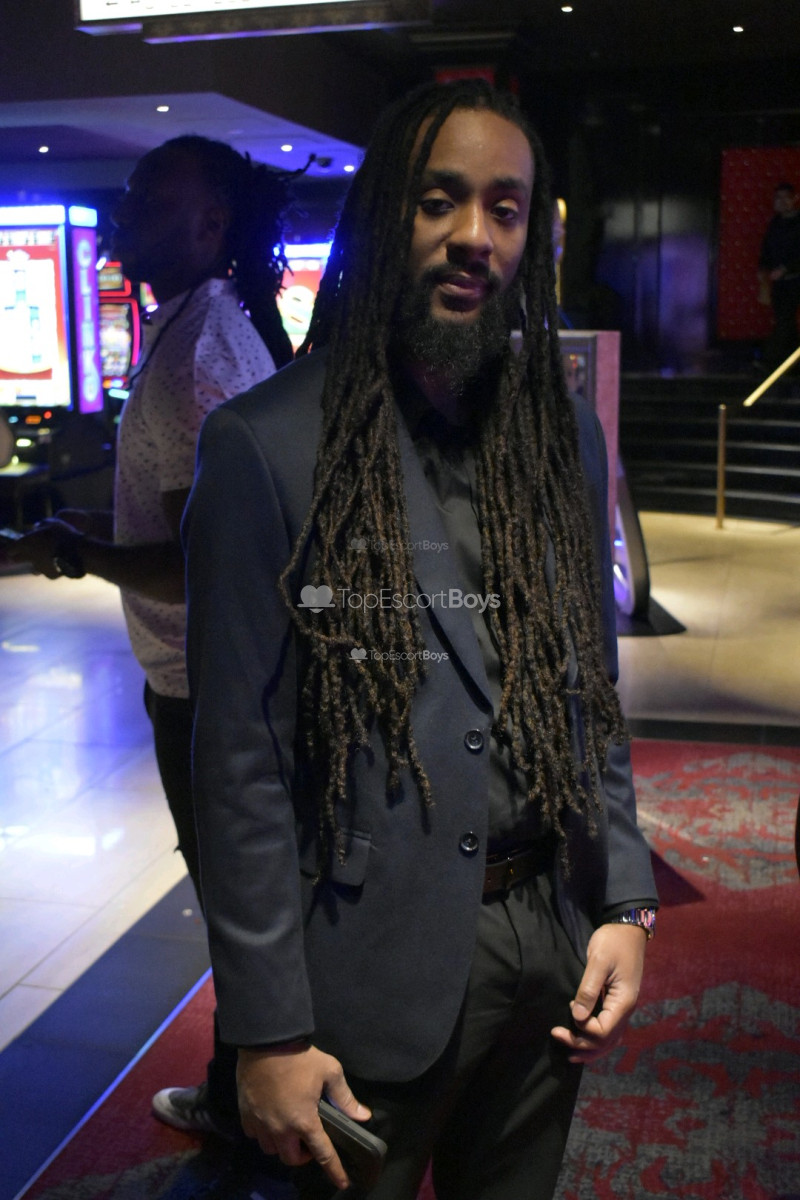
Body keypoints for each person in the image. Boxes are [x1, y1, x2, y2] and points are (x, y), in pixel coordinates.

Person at [183, 80, 658, 1200]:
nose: (472, 236)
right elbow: (238, 761)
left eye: (505, 209)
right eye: (438, 200)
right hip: (363, 972)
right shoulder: (264, 445)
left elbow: (588, 691)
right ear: (383, 215)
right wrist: (265, 1028)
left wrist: (624, 901)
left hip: (546, 954)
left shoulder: (559, 434)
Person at [6, 134, 293, 1139]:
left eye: (146, 197)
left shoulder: (197, 354)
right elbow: (180, 521)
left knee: (238, 901)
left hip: (209, 686)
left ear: (209, 225)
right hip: (216, 677)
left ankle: (249, 1106)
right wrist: (87, 533)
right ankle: (245, 1087)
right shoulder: (195, 327)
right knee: (244, 894)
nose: (122, 212)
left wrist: (78, 553)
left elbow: (200, 564)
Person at [757, 181, 800, 372]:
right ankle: (792, 364)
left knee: (784, 321)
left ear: (795, 199)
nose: (781, 202)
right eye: (778, 198)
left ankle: (770, 361)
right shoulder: (775, 223)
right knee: (786, 322)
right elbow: (767, 250)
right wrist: (763, 270)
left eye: (786, 198)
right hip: (779, 281)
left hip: (795, 279)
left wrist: (786, 269)